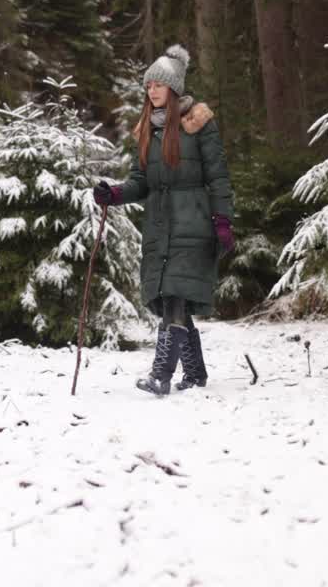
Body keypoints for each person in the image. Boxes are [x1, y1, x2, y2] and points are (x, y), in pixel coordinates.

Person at [92, 45, 235, 396]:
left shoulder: (199, 124)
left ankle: (161, 376)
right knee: (173, 299)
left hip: (194, 220)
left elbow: (218, 177)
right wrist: (114, 193)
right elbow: (141, 182)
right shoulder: (146, 131)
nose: (152, 91)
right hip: (159, 225)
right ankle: (196, 375)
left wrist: (222, 220)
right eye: (148, 86)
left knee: (174, 295)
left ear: (174, 88)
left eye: (158, 84)